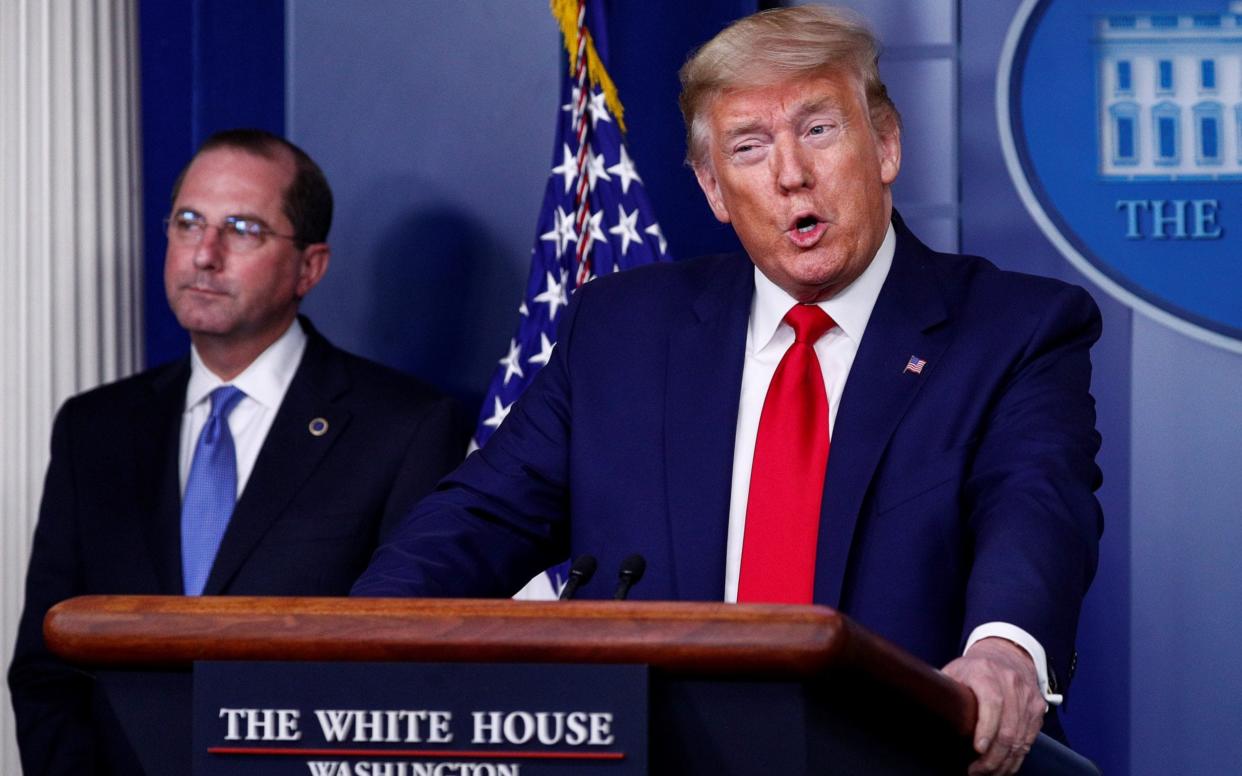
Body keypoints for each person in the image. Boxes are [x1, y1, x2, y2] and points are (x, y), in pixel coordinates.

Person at [353, 7, 1102, 775]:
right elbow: (477, 520)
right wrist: (341, 649)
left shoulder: (1014, 329)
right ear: (714, 188)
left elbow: (1036, 505)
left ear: (885, 146)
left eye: (818, 130)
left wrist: (1007, 652)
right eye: (749, 147)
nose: (790, 174)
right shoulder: (620, 332)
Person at [9, 128, 469, 774]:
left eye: (244, 229)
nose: (205, 254)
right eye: (189, 223)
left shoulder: (404, 428)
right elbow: (46, 668)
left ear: (310, 266)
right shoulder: (95, 428)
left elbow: (409, 681)